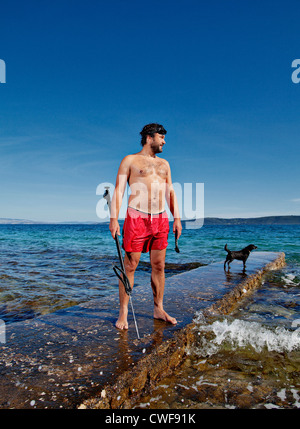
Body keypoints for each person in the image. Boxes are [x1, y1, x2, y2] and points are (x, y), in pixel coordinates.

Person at [109, 123, 182, 330]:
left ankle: (158, 308)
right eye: (161, 137)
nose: (164, 141)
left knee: (159, 266)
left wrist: (176, 218)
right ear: (150, 138)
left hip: (160, 219)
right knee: (130, 265)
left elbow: (170, 192)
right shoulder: (130, 160)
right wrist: (114, 219)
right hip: (136, 218)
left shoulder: (165, 165)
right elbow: (119, 191)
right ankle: (123, 312)